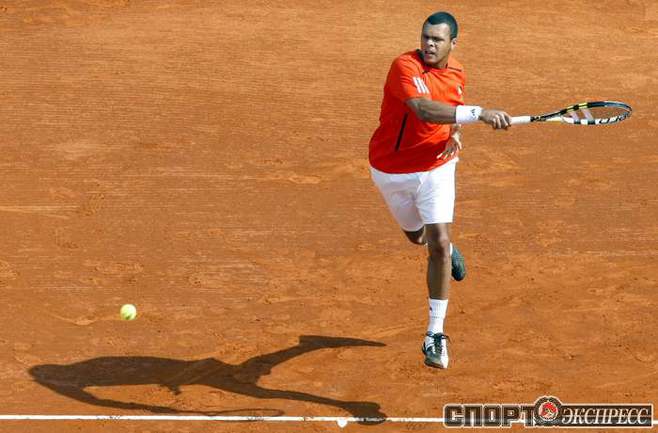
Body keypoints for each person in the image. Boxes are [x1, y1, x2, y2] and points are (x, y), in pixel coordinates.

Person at [368, 11, 511, 369]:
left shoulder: (457, 72)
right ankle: (442, 246)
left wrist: (455, 132)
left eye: (437, 39)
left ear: (453, 44)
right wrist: (478, 114)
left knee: (439, 244)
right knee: (416, 236)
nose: (429, 44)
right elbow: (423, 110)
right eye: (426, 37)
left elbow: (451, 108)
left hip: (437, 167)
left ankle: (435, 333)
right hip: (391, 170)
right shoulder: (404, 66)